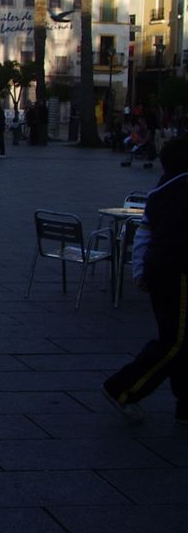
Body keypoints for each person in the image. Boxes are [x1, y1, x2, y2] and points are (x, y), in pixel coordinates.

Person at [103, 135, 188, 425]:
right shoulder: (182, 189)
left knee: (180, 338)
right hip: (179, 270)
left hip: (160, 268)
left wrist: (139, 268)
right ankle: (123, 387)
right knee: (175, 340)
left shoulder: (162, 189)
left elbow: (144, 231)